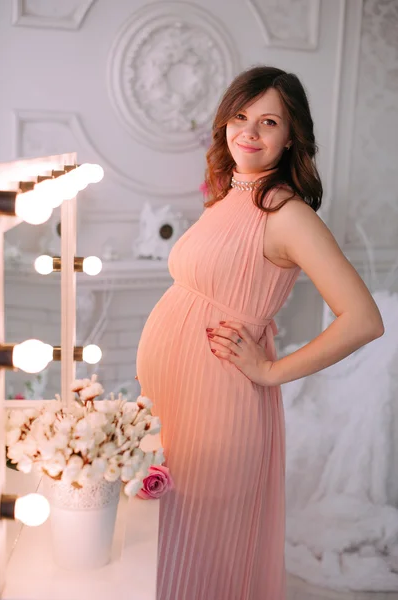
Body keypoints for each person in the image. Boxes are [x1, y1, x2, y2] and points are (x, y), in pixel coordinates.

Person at [135, 65, 384, 600]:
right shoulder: (227, 196)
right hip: (175, 402)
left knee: (205, 552)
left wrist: (269, 370)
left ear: (291, 136)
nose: (249, 131)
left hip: (219, 406)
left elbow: (364, 318)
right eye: (241, 116)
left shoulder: (287, 213)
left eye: (268, 121)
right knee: (171, 544)